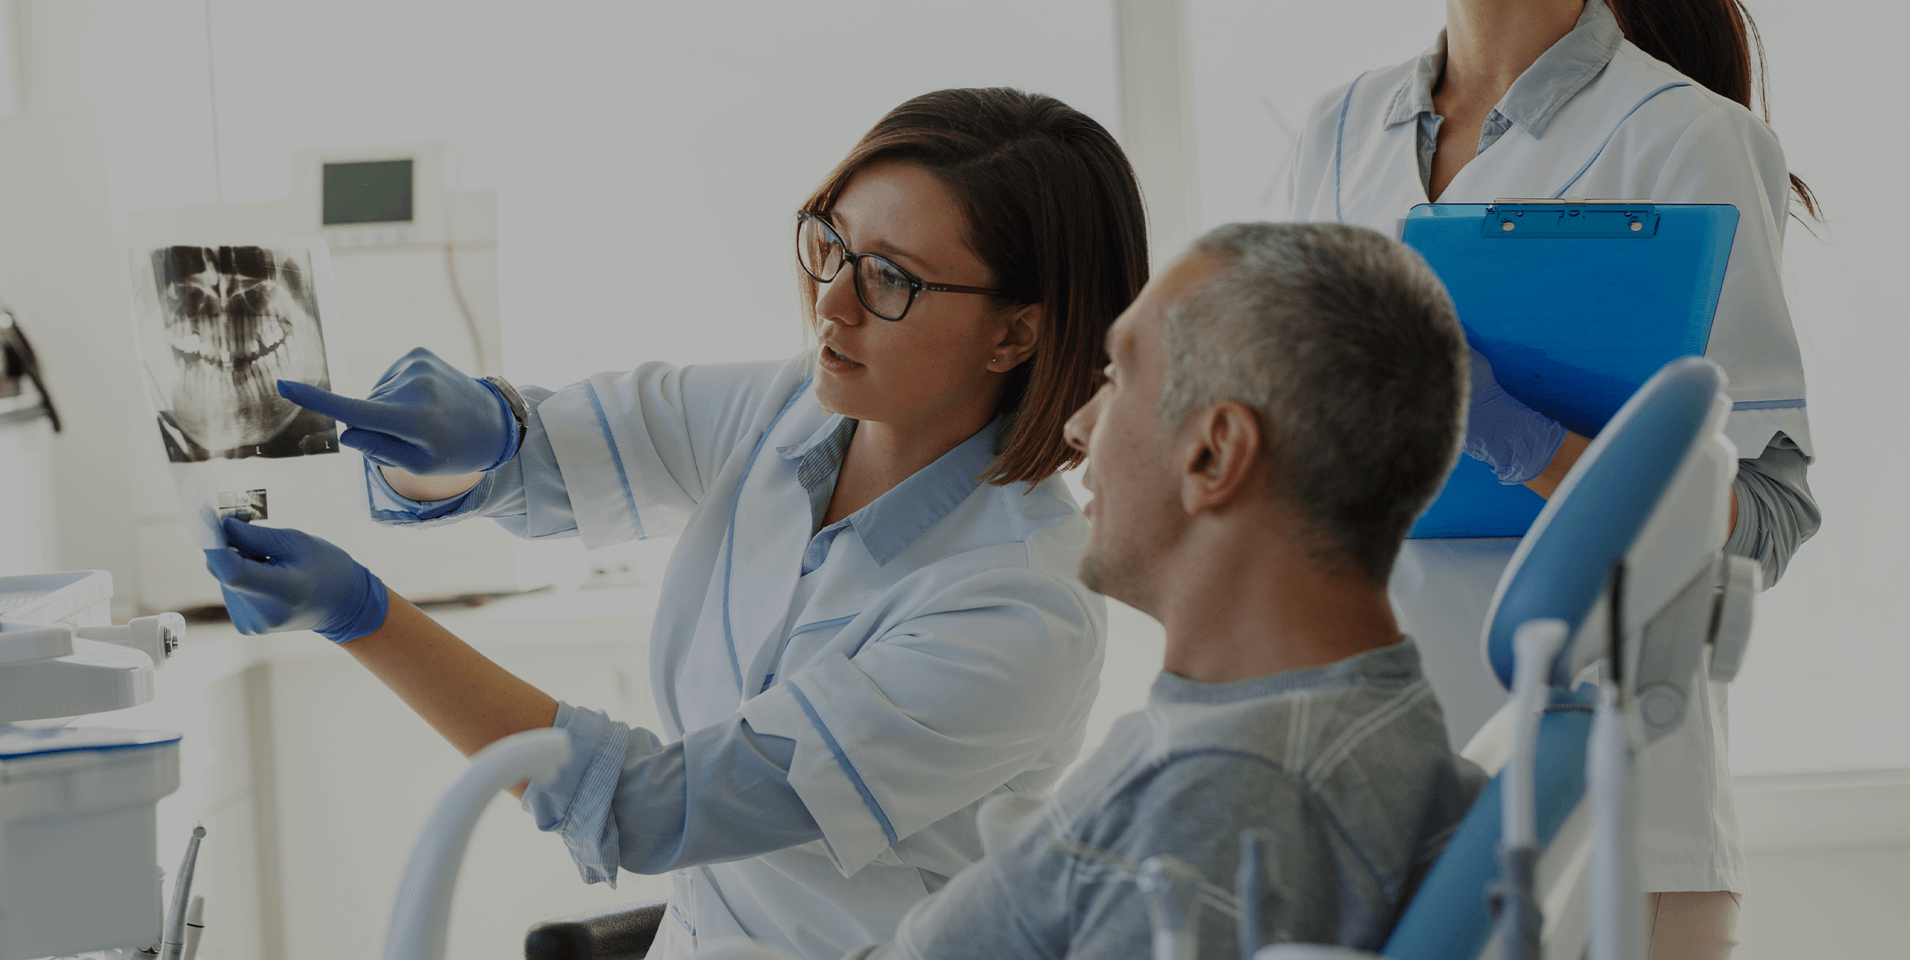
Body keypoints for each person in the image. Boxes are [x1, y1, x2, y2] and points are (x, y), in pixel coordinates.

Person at [201, 87, 1149, 959]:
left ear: (1016, 333)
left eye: (890, 279)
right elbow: (547, 456)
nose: (831, 301)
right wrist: (469, 436)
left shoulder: (1020, 606)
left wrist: (363, 616)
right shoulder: (793, 411)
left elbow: (652, 810)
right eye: (832, 243)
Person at [1278, 2, 1822, 956]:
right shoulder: (1336, 129)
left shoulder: (1686, 134)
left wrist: (1520, 440)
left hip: (1613, 819)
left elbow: (1766, 515)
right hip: (1371, 795)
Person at [835, 222, 1486, 960]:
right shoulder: (1363, 716)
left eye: (1115, 378)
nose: (1079, 426)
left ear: (1214, 454)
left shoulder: (1222, 801)